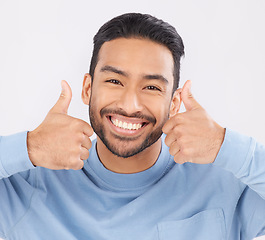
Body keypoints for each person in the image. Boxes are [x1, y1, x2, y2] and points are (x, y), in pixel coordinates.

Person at [0, 13, 264, 240]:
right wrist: (30, 146)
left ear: (174, 104)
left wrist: (223, 144)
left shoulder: (225, 185)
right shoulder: (26, 188)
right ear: (88, 89)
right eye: (115, 81)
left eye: (151, 87)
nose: (130, 104)